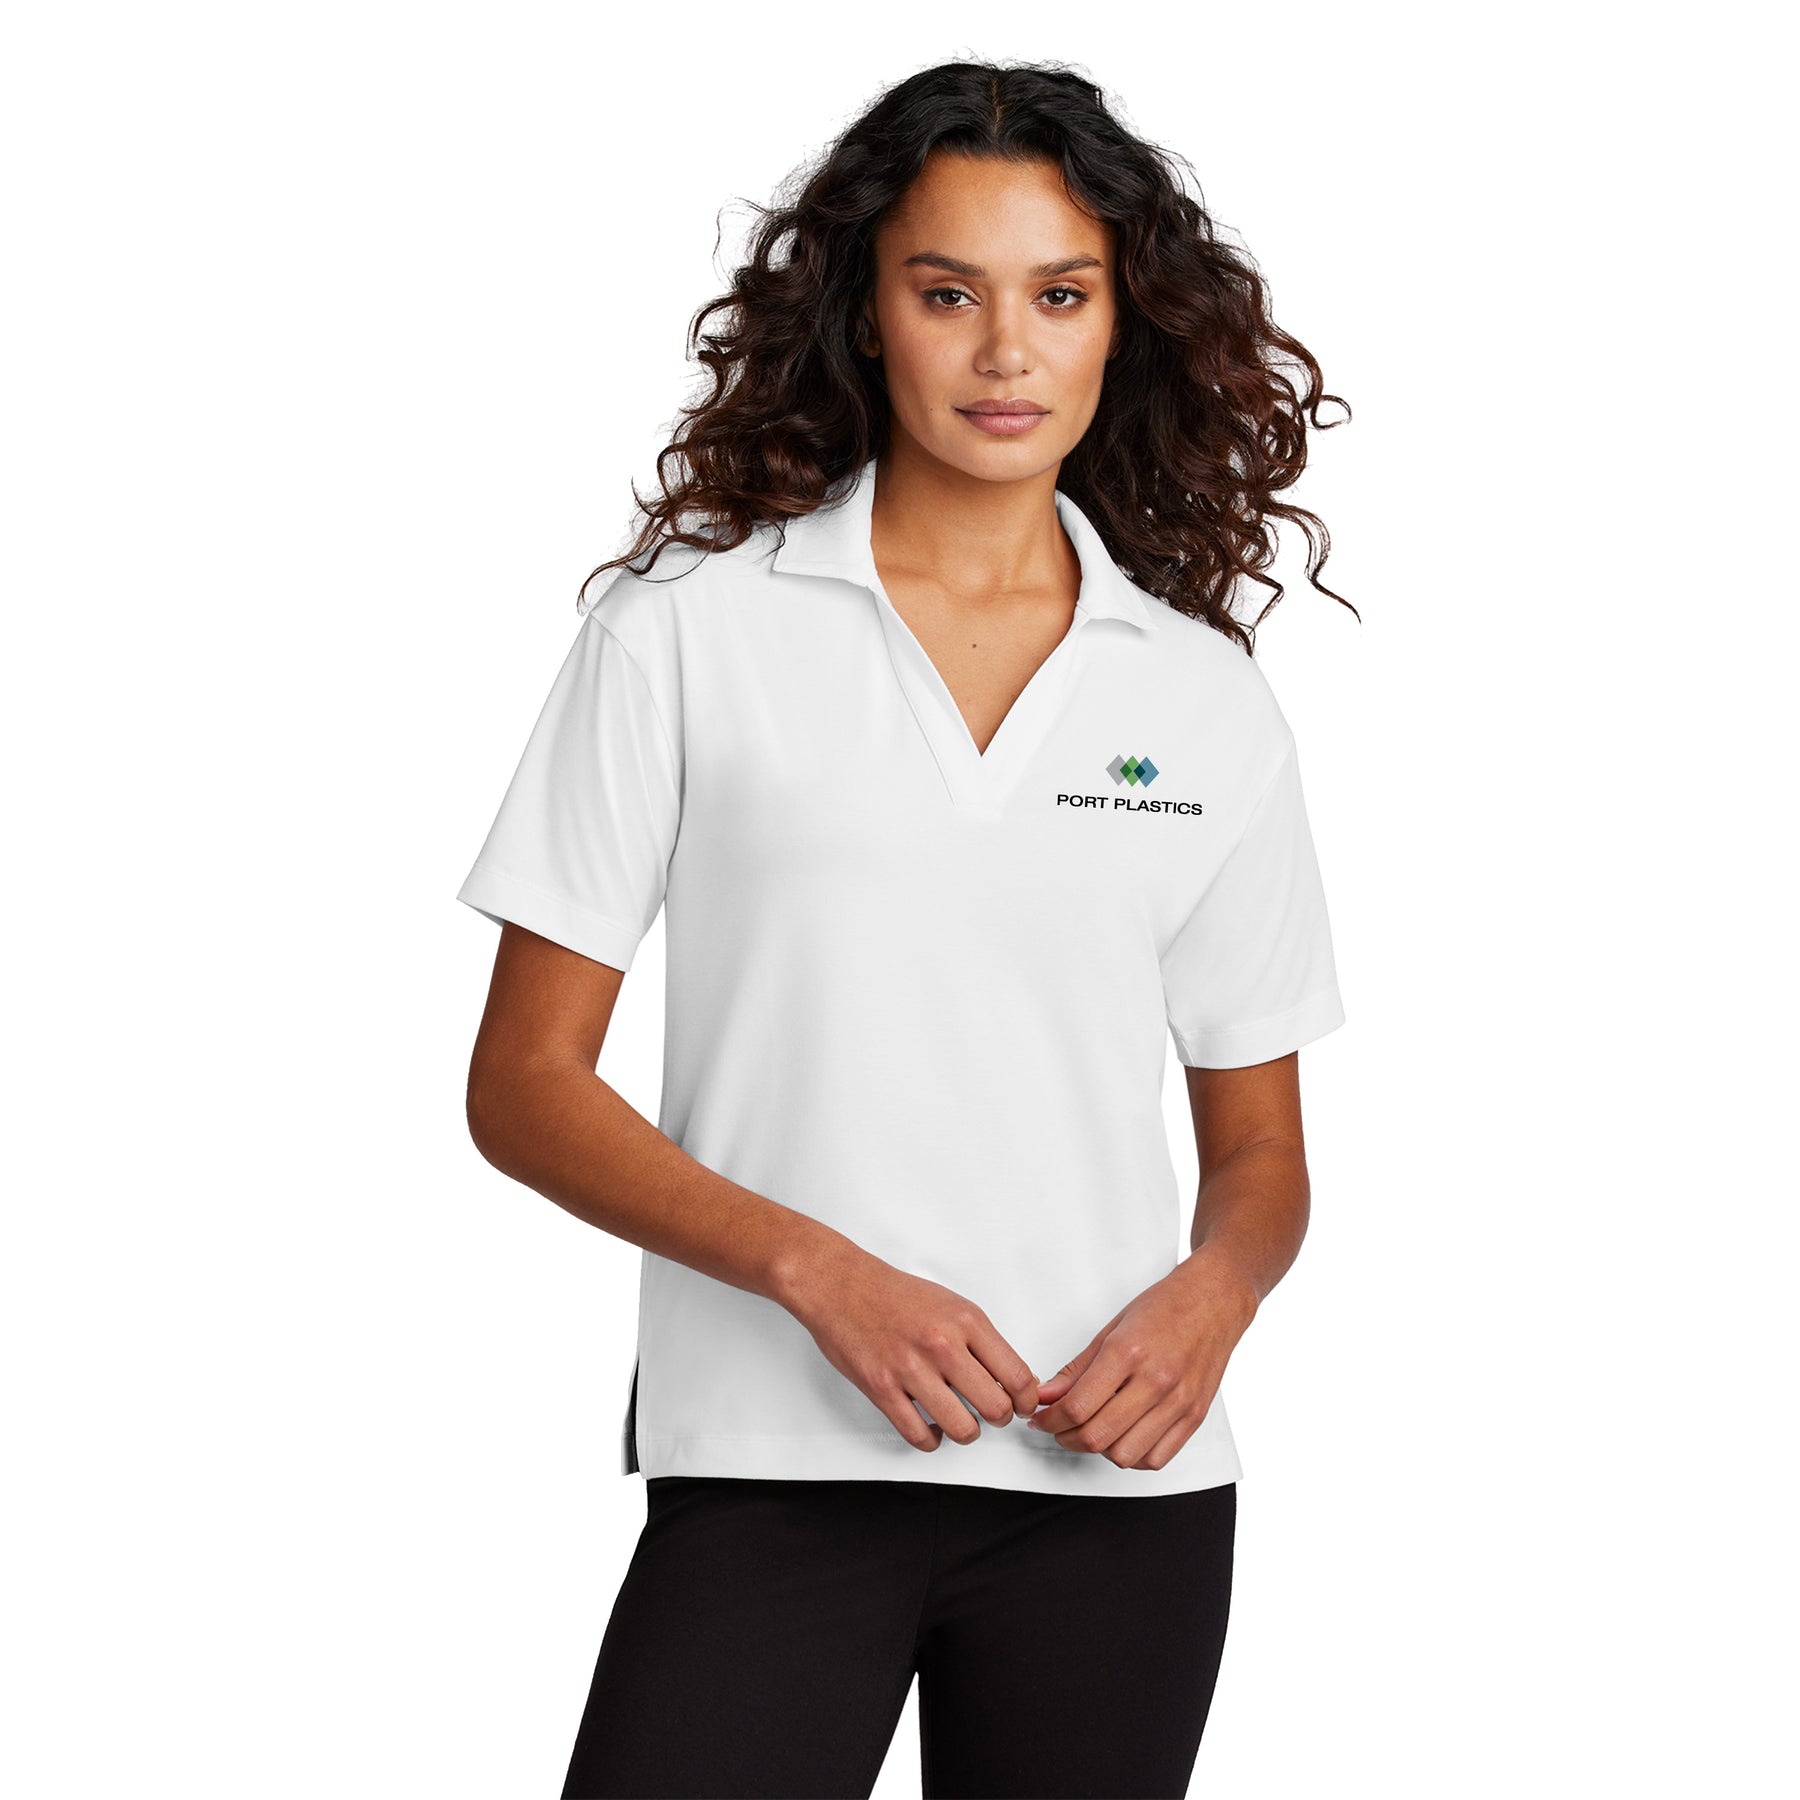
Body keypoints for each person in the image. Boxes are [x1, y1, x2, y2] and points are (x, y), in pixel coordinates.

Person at [457, 58, 1355, 1800]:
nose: (1006, 351)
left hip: (1119, 1497)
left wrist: (1215, 1298)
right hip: (770, 1466)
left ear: (1123, 325)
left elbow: (1262, 1154)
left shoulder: (1204, 700)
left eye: (1060, 296)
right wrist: (817, 1272)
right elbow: (523, 1084)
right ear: (867, 316)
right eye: (949, 293)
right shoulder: (687, 635)